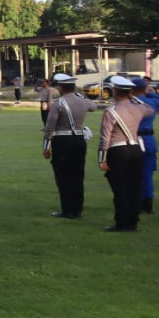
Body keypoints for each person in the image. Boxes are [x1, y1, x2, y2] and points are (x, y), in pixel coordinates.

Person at [98, 75, 153, 232]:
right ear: (129, 92)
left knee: (120, 189)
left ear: (115, 91)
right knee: (134, 188)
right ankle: (133, 222)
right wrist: (134, 98)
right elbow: (150, 109)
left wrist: (101, 159)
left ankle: (122, 223)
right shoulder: (138, 108)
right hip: (136, 149)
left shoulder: (111, 111)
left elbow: (105, 137)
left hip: (118, 150)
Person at [42, 73, 96, 219]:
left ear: (61, 87)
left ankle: (67, 209)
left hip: (62, 141)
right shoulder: (82, 101)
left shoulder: (59, 103)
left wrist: (46, 147)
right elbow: (94, 106)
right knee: (78, 175)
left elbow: (50, 127)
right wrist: (79, 95)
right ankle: (77, 209)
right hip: (79, 139)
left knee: (63, 176)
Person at [130, 78, 159, 215]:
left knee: (133, 173)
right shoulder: (151, 102)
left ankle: (136, 202)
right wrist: (150, 93)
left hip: (133, 139)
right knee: (147, 174)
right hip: (149, 139)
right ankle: (148, 203)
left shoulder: (130, 102)